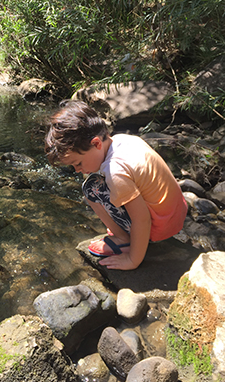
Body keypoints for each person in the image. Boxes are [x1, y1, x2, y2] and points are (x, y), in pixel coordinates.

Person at [44, 100, 188, 270]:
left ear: (96, 143)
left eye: (78, 163)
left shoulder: (116, 172)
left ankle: (123, 239)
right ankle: (125, 233)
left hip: (159, 227)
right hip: (175, 215)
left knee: (90, 188)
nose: (76, 170)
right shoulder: (122, 140)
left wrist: (133, 260)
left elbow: (141, 220)